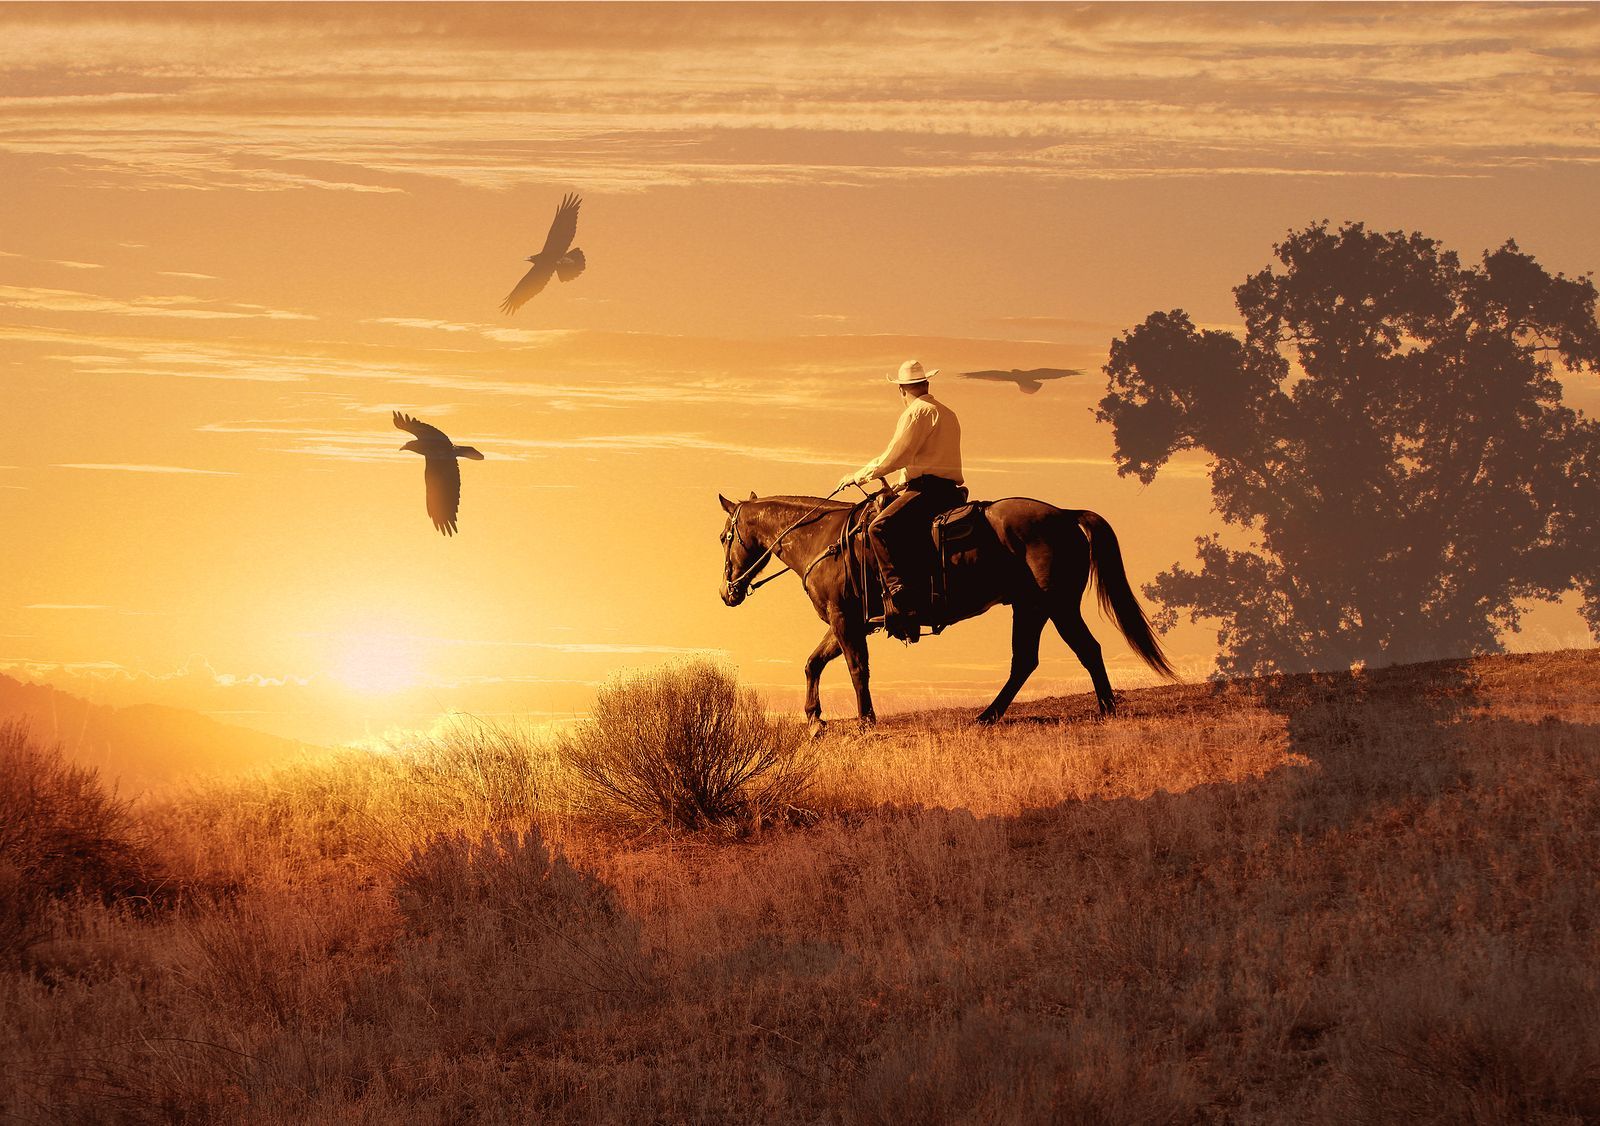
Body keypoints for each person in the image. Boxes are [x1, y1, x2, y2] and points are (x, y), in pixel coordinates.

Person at [837, 359, 966, 641]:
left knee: (877, 528)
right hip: (948, 492)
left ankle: (899, 594)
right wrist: (897, 484)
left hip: (926, 491)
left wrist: (859, 476)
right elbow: (927, 460)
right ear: (926, 384)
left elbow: (897, 456)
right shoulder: (948, 413)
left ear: (901, 390)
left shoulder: (917, 413)